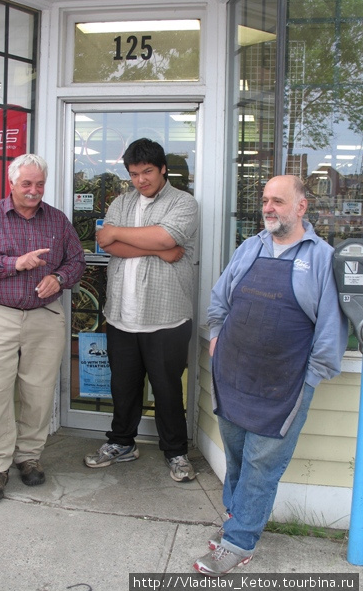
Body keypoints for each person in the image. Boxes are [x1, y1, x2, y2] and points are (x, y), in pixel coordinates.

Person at [193, 175, 348, 576]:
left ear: (301, 207)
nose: (268, 208)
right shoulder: (250, 247)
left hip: (284, 386)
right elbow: (219, 299)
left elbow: (331, 332)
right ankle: (235, 519)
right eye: (265, 200)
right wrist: (215, 336)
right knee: (238, 457)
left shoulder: (322, 259)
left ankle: (238, 543)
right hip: (233, 375)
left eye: (278, 201)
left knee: (262, 464)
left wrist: (309, 379)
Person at [0, 153, 85, 502]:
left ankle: (29, 457)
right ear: (12, 183)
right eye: (27, 183)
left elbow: (76, 261)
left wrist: (59, 278)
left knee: (39, 391)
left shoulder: (58, 220)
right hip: (0, 314)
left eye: (39, 184)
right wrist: (15, 263)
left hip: (45, 316)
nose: (34, 190)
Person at [84, 138, 199, 482]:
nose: (141, 180)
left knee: (166, 389)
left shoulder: (184, 203)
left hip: (166, 316)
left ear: (163, 169)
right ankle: (122, 443)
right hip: (121, 314)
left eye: (147, 171)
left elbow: (168, 237)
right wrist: (158, 248)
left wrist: (128, 236)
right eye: (134, 173)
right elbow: (106, 242)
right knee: (123, 386)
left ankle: (176, 452)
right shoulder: (122, 201)